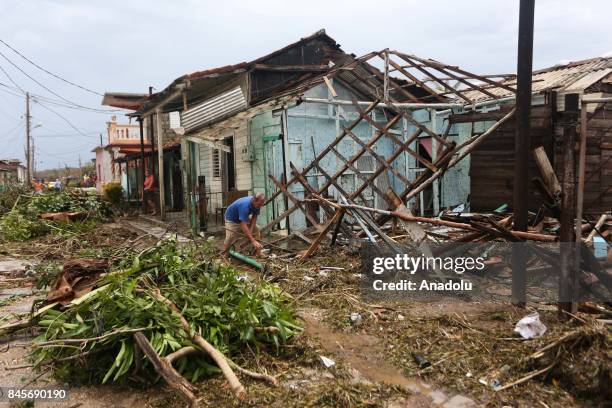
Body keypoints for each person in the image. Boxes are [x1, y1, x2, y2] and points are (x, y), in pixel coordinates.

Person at [223, 193, 265, 257]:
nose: (260, 206)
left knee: (256, 230)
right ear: (254, 200)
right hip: (231, 219)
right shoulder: (244, 205)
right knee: (230, 237)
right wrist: (252, 240)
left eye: (262, 204)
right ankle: (226, 255)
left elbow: (254, 217)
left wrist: (250, 231)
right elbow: (243, 225)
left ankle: (258, 251)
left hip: (242, 217)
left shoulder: (257, 204)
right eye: (260, 204)